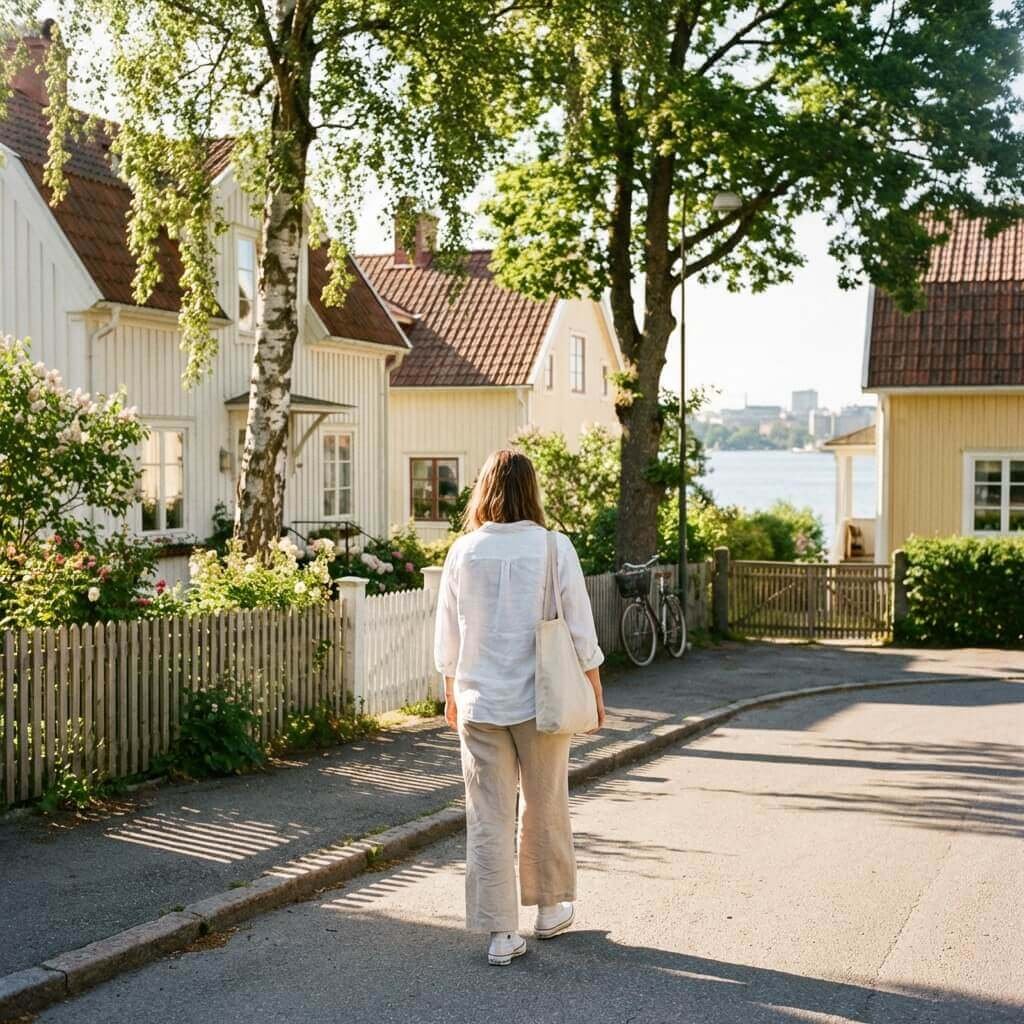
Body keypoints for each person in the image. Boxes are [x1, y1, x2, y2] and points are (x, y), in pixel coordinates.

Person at [434, 448, 606, 966]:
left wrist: (450, 693)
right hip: (542, 701)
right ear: (531, 490)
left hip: (479, 700)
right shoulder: (555, 547)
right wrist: (595, 690)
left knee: (487, 816)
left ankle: (500, 933)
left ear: (484, 490)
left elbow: (448, 633)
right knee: (546, 802)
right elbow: (580, 627)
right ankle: (549, 910)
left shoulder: (463, 551)